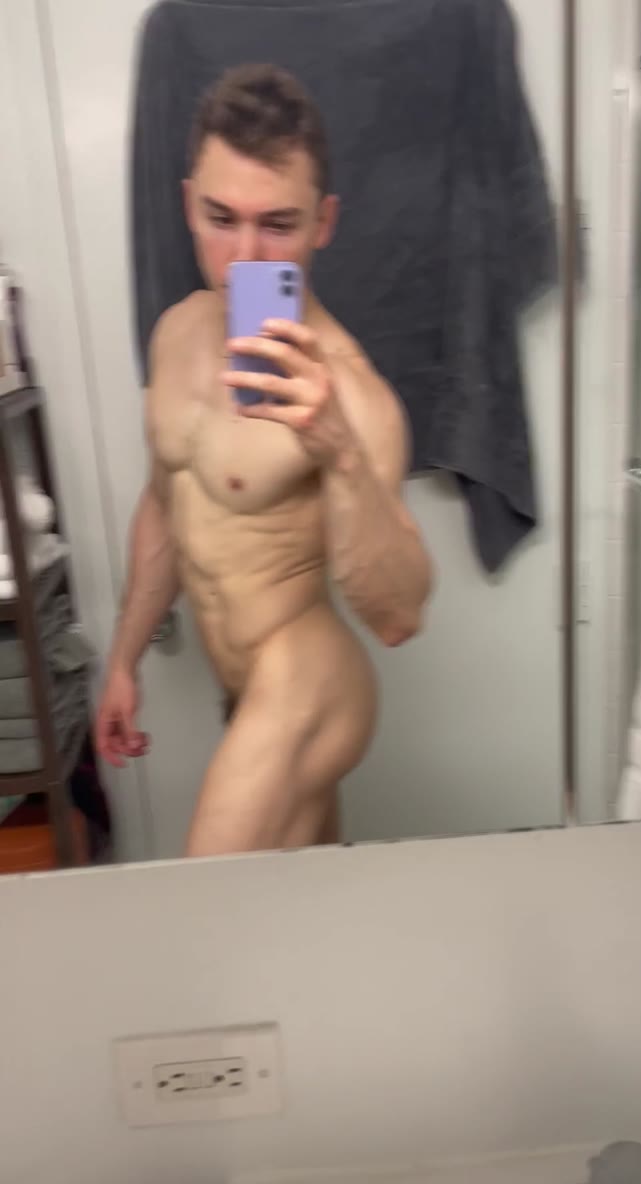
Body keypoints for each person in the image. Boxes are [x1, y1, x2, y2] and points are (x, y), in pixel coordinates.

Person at [94, 64, 433, 857]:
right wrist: (123, 660)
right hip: (240, 692)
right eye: (221, 218)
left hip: (308, 676)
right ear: (189, 204)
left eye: (278, 225)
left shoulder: (352, 394)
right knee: (298, 906)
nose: (243, 257)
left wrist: (339, 452)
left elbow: (398, 616)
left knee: (205, 899)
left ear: (323, 222)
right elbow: (165, 506)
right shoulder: (176, 334)